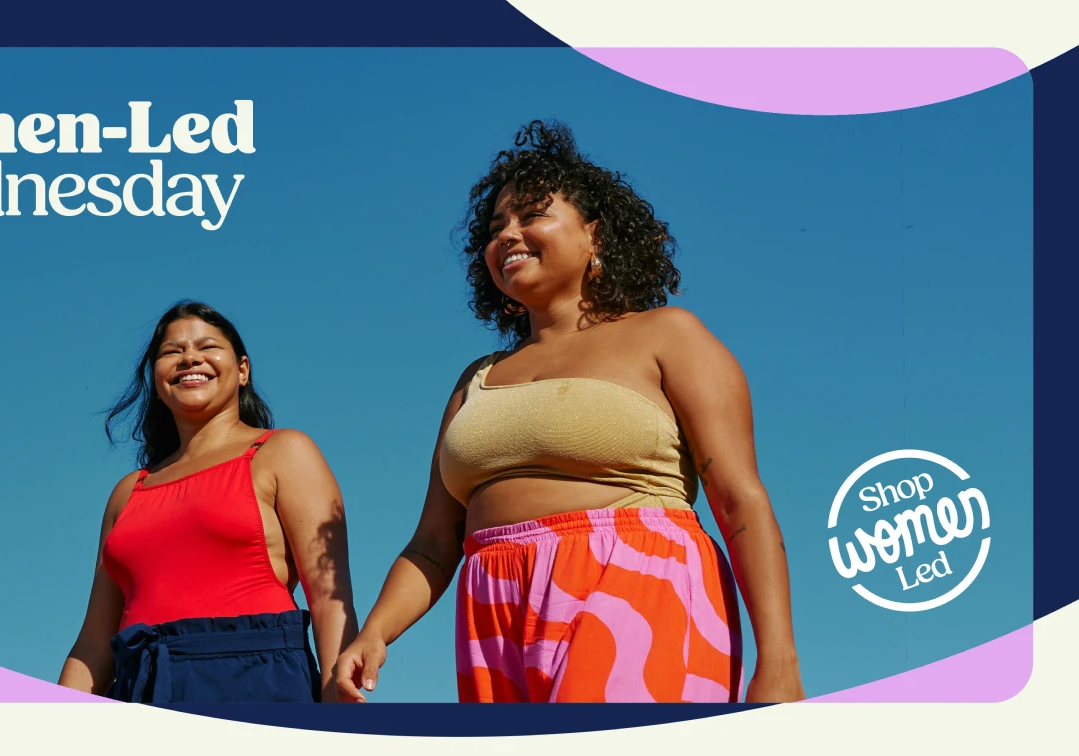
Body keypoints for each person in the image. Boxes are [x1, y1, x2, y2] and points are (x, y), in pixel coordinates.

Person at [334, 121, 804, 704]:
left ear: (594, 236)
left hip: (634, 583)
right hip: (493, 613)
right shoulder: (473, 381)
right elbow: (433, 543)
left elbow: (739, 500)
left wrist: (778, 661)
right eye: (495, 226)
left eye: (531, 216)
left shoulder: (667, 336)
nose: (508, 235)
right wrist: (375, 634)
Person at [58, 300, 358, 703]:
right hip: (142, 690)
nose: (189, 358)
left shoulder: (283, 452)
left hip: (259, 683)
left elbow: (329, 600)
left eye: (207, 346)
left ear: (243, 370)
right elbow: (93, 646)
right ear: (156, 377)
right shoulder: (127, 493)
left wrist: (339, 714)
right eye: (171, 352)